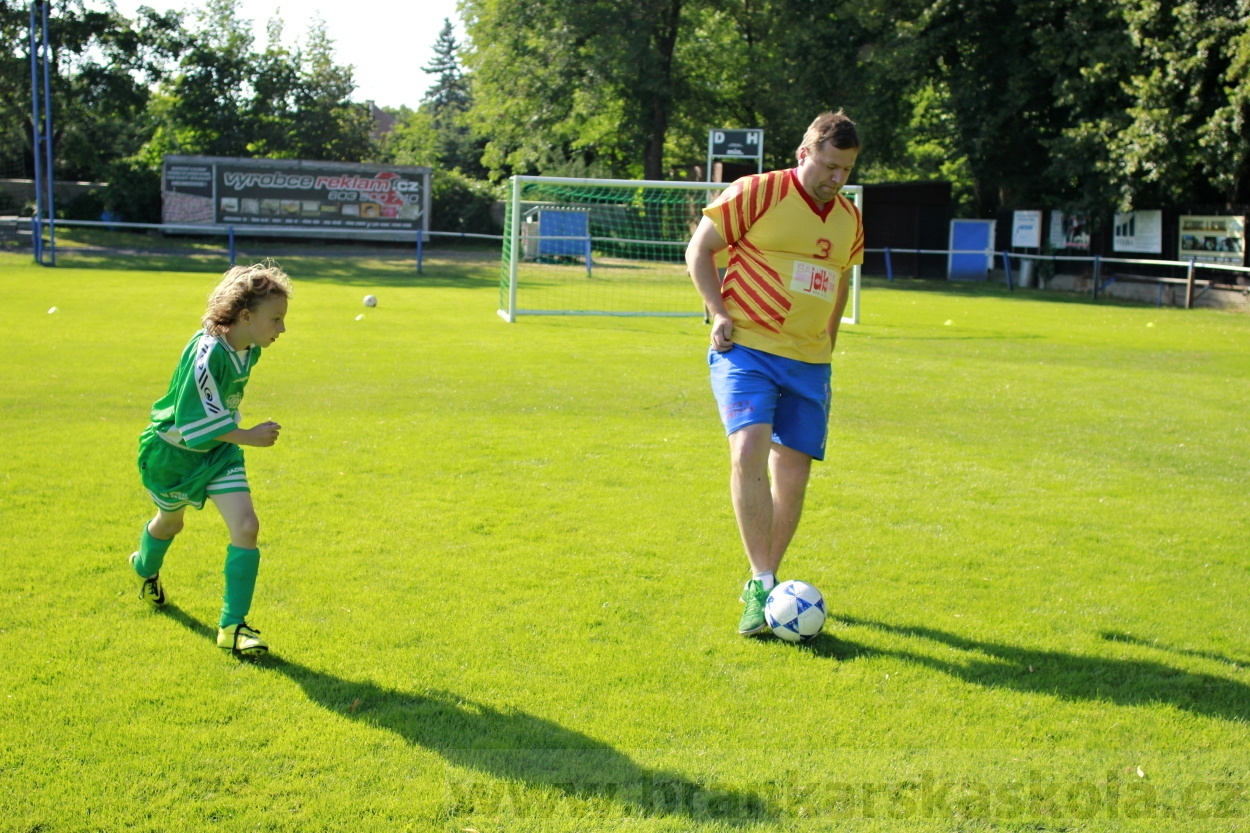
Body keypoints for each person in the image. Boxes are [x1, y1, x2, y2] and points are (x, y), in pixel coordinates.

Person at [685, 111, 864, 635]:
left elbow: (839, 282)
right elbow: (700, 249)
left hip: (809, 362)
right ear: (804, 153)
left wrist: (828, 344)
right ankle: (763, 582)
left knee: (794, 474)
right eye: (829, 166)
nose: (836, 178)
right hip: (747, 348)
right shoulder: (757, 192)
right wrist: (718, 310)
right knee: (747, 449)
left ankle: (764, 581)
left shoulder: (849, 218)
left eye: (846, 170)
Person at [128, 262, 292, 657]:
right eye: (276, 319)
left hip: (218, 452)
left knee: (247, 527)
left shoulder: (250, 348)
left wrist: (238, 436)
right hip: (173, 455)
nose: (282, 329)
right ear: (245, 316)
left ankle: (232, 627)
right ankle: (144, 568)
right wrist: (248, 436)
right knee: (170, 523)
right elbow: (191, 422)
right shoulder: (207, 353)